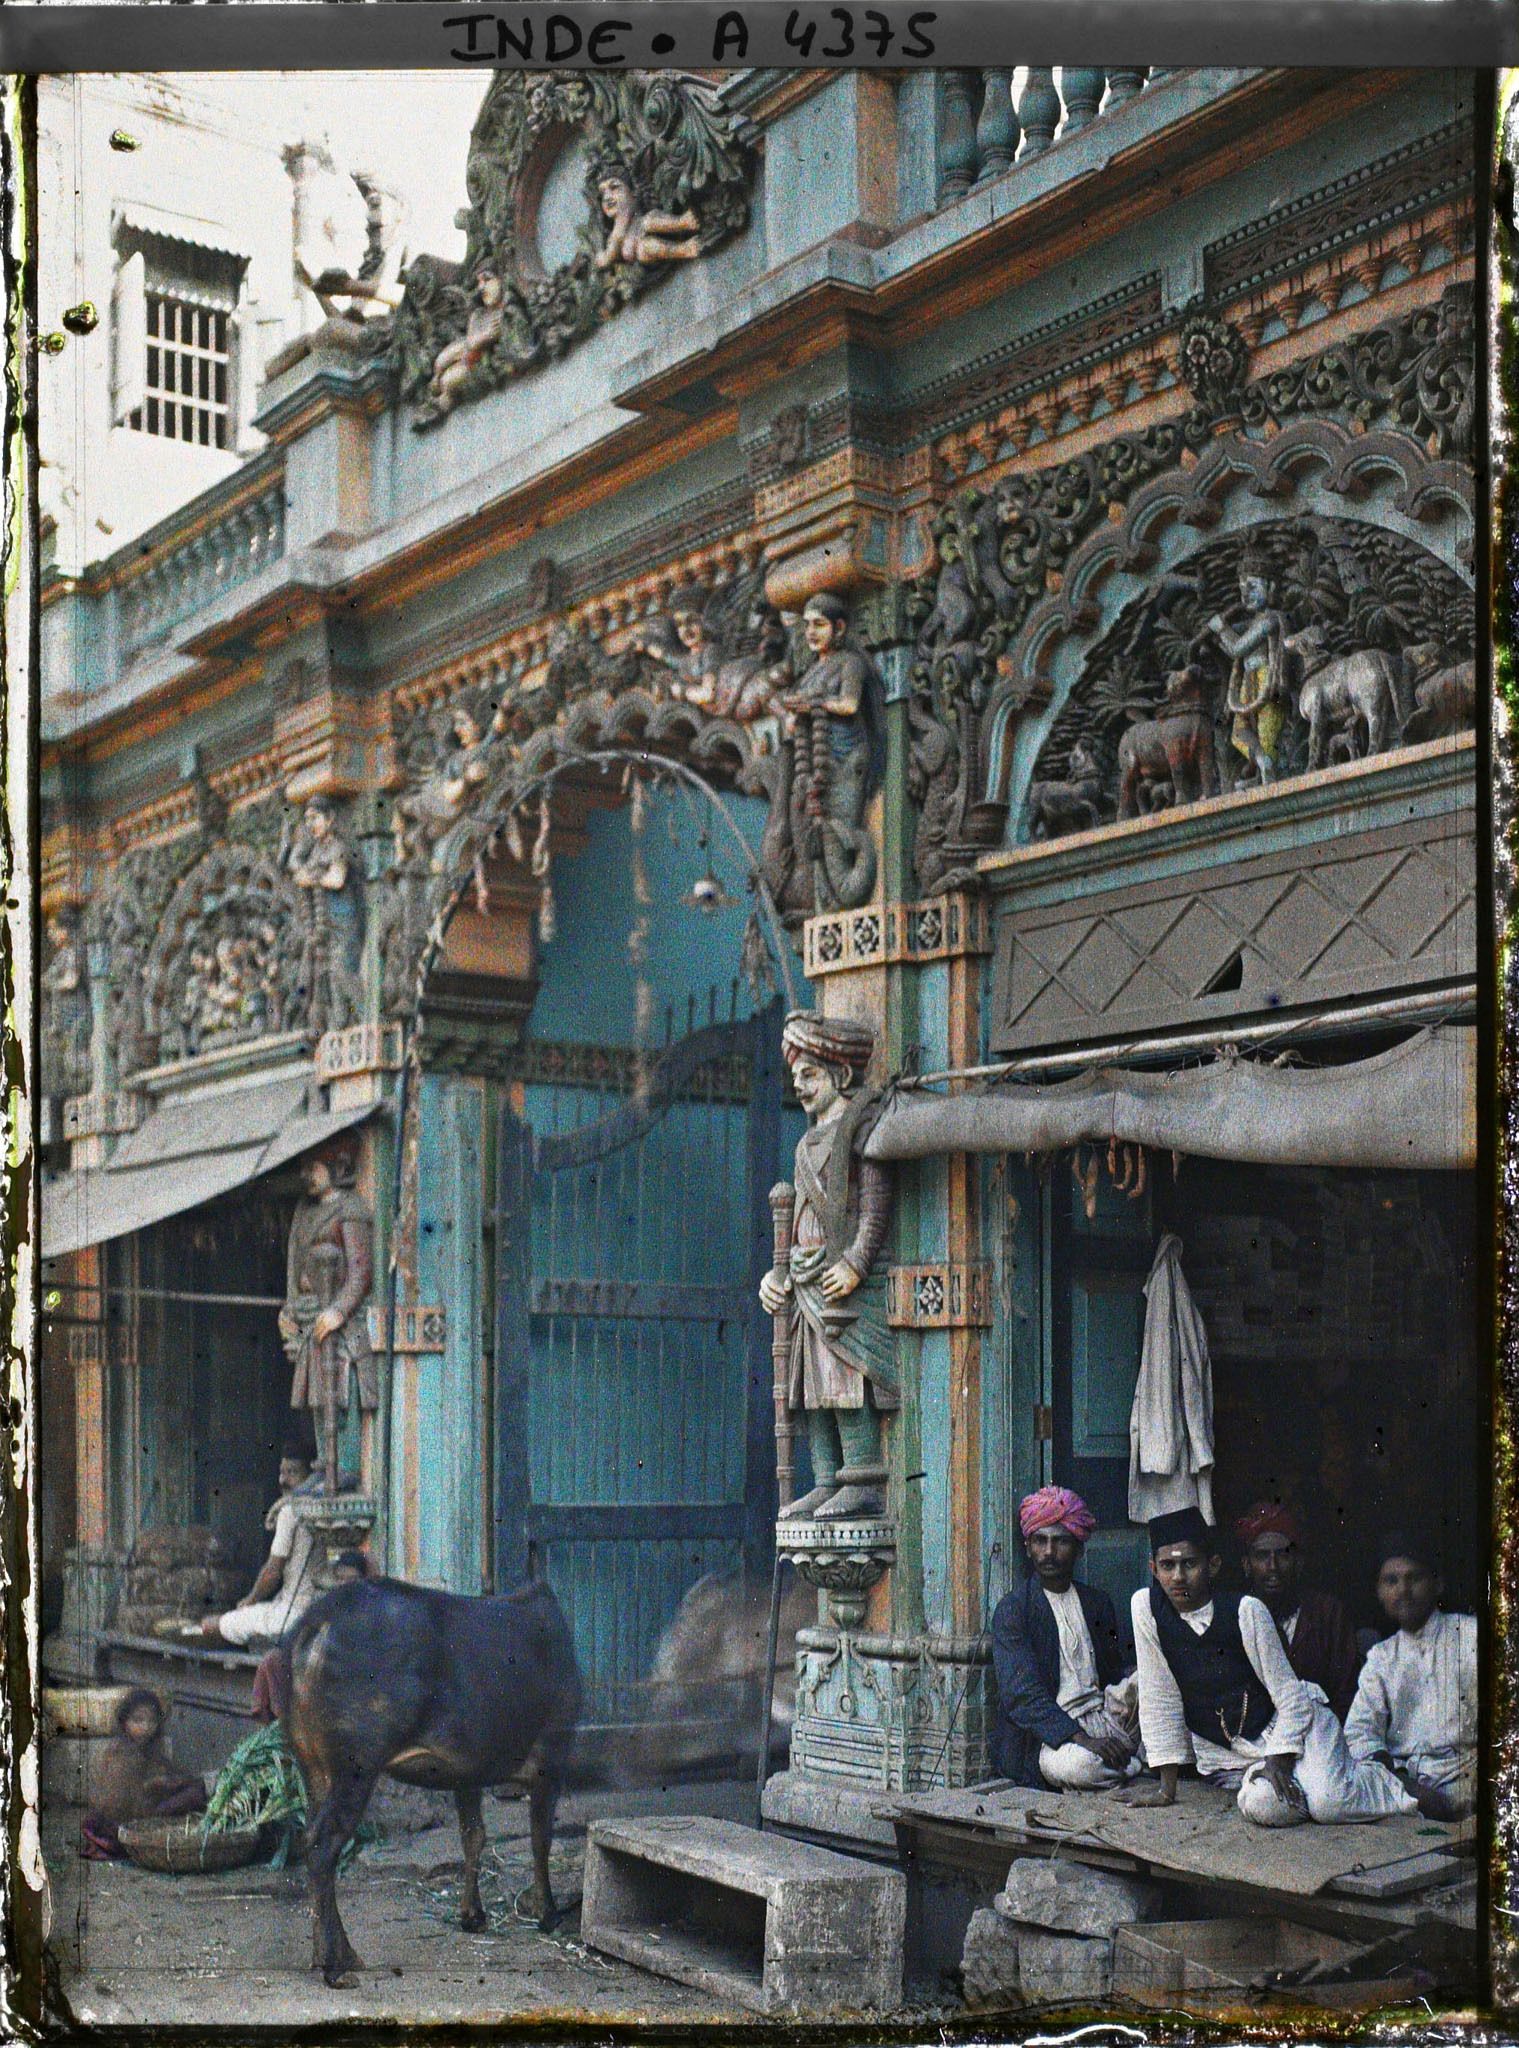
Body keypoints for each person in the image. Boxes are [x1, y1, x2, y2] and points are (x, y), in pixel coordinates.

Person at [1128, 1506, 1416, 1826]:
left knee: (1329, 1805)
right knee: (1264, 1805)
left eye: (1190, 1564)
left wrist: (1279, 1760)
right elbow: (1159, 1695)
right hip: (1238, 1755)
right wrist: (1166, 1789)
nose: (1178, 1577)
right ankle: (1311, 1786)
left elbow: (1292, 1698)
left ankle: (1376, 1778)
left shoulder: (1246, 1611)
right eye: (1168, 1565)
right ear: (1153, 1569)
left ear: (1213, 1565)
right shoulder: (1146, 1608)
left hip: (1298, 1728)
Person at [758, 1011, 895, 1522]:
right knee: (809, 1385)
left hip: (842, 1284)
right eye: (795, 1078)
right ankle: (825, 1480)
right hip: (806, 1281)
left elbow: (875, 1210)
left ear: (841, 1074)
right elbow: (796, 1221)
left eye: (810, 1075)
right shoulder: (804, 1144)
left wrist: (856, 1263)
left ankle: (861, 1479)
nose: (800, 1086)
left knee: (843, 1379)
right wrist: (777, 1277)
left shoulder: (861, 1130)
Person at [989, 1486, 1139, 1790]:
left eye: (1061, 1541)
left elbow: (1113, 1673)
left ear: (1078, 1549)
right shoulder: (1014, 1609)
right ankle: (1134, 1765)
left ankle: (1128, 1762)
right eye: (1040, 1541)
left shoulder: (1097, 1603)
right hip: (1051, 1736)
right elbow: (1023, 1696)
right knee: (1081, 1767)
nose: (1049, 1552)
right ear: (1028, 1547)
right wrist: (1084, 1740)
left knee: (1154, 1682)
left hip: (1105, 1717)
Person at [1344, 1533, 1478, 1821]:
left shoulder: (1471, 1636)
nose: (1403, 1590)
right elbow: (1359, 1732)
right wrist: (1407, 1785)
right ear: (1380, 1593)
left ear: (1437, 1584)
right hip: (1405, 1787)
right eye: (1391, 1581)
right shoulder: (1382, 1657)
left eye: (1414, 1578)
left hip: (1466, 1782)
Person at [1235, 1501, 1362, 1722]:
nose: (1272, 1566)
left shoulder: (1327, 1613)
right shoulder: (1235, 1617)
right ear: (1246, 1565)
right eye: (1262, 1556)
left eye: (1283, 1555)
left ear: (1299, 1562)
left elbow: (1347, 1694)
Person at [201, 1453, 320, 1650]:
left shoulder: (290, 1512)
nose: (283, 1480)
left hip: (292, 1615)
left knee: (210, 1625)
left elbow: (272, 1572)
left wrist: (250, 1600)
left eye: (292, 1472)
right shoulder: (320, 1508)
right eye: (282, 1473)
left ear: (309, 1476)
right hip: (303, 1610)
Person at [81, 1689, 206, 1858]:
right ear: (124, 1722)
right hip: (130, 1820)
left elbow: (169, 1773)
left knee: (195, 1787)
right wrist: (154, 1786)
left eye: (152, 1721)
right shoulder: (121, 1754)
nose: (146, 1728)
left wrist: (168, 1782)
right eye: (138, 1720)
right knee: (194, 1795)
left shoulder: (151, 1748)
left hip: (146, 1809)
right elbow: (122, 1803)